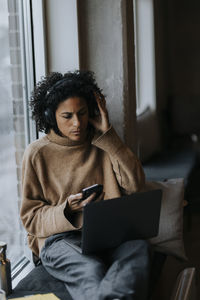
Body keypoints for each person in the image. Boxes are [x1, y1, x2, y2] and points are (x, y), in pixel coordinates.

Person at [20, 70, 151, 300]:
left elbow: (136, 185)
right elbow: (30, 218)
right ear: (51, 117)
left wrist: (108, 135)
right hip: (61, 239)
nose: (77, 123)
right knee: (90, 270)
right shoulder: (36, 154)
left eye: (82, 113)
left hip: (110, 233)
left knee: (138, 250)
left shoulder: (103, 141)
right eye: (67, 116)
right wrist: (66, 210)